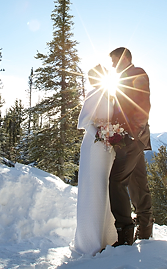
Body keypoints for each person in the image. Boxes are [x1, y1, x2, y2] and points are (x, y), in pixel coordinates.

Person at [71, 65, 118, 256]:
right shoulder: (93, 94)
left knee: (105, 189)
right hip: (94, 146)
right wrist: (100, 134)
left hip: (108, 149)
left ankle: (108, 237)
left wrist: (112, 135)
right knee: (93, 189)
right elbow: (83, 122)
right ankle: (90, 241)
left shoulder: (111, 95)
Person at [109, 47, 153, 246]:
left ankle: (125, 233)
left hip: (132, 138)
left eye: (114, 60)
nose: (112, 65)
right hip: (136, 138)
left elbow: (142, 106)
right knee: (137, 184)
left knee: (116, 182)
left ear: (125, 59)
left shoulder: (136, 74)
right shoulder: (126, 77)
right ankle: (145, 231)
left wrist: (130, 134)